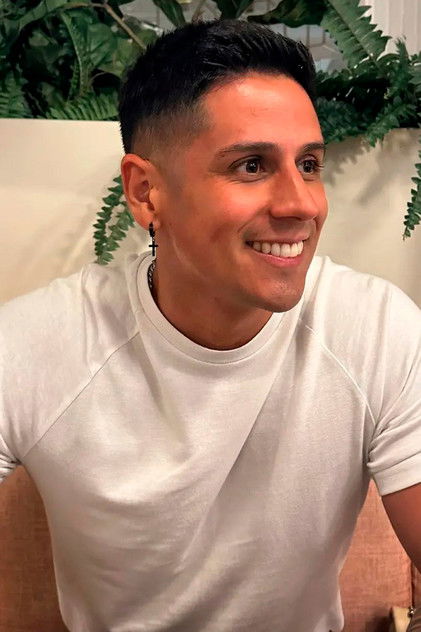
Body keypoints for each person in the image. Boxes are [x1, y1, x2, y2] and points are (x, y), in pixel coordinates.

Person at [1, 18, 420, 632]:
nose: (302, 203)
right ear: (146, 193)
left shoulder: (376, 329)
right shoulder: (38, 344)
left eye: (309, 164)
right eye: (251, 166)